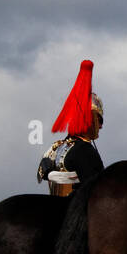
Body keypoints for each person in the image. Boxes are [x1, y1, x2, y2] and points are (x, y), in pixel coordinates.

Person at [38, 59, 104, 196]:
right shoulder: (85, 150)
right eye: (98, 120)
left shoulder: (57, 147)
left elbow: (42, 169)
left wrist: (52, 174)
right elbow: (97, 191)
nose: (100, 126)